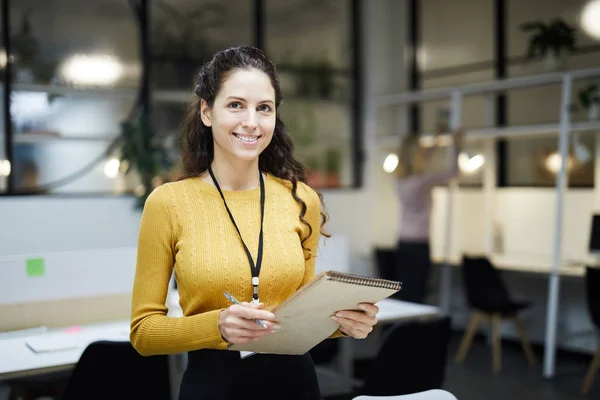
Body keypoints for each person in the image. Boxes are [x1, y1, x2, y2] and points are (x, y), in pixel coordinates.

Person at [129, 45, 379, 400]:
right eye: (235, 105)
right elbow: (143, 333)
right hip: (214, 387)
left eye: (264, 108)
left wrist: (345, 324)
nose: (252, 121)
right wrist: (217, 325)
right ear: (206, 112)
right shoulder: (169, 203)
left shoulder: (300, 198)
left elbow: (301, 314)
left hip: (295, 385)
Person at [392, 130, 462, 304]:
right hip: (419, 244)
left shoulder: (401, 180)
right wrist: (457, 147)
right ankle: (414, 329)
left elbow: (421, 159)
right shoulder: (421, 181)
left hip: (404, 242)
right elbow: (453, 173)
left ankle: (407, 329)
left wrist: (437, 144)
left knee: (408, 293)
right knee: (417, 294)